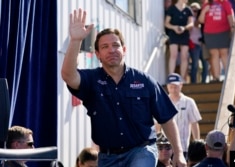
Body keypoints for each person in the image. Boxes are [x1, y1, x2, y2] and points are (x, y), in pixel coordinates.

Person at [61, 8, 186, 167]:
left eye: (115, 45)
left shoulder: (145, 81)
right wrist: (75, 41)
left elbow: (166, 118)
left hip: (141, 151)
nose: (111, 50)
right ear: (98, 54)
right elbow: (68, 76)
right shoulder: (92, 80)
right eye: (105, 47)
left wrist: (179, 153)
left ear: (124, 50)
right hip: (107, 157)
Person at [166, 73, 202, 159]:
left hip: (184, 147)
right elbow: (157, 125)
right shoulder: (163, 102)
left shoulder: (189, 102)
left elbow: (194, 123)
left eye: (176, 87)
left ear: (181, 85)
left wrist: (197, 143)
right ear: (167, 86)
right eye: (171, 87)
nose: (173, 89)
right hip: (166, 149)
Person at [198, 0, 235, 82]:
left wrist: (232, 28)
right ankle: (217, 77)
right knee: (214, 54)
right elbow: (201, 20)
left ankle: (229, 76)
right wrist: (204, 11)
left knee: (224, 53)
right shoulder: (207, 4)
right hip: (209, 33)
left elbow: (230, 16)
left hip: (223, 32)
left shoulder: (225, 3)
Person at [165, 0, 194, 81]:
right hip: (173, 34)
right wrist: (174, 27)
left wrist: (184, 28)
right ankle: (171, 76)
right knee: (173, 55)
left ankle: (182, 78)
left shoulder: (188, 10)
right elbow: (166, 23)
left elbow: (191, 23)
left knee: (184, 56)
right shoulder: (172, 9)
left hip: (184, 34)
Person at [189, 2, 208, 83]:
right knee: (195, 65)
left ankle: (204, 82)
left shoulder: (203, 18)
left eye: (196, 10)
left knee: (205, 65)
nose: (194, 12)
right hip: (194, 44)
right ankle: (193, 82)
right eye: (192, 10)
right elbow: (196, 24)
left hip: (203, 44)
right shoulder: (190, 19)